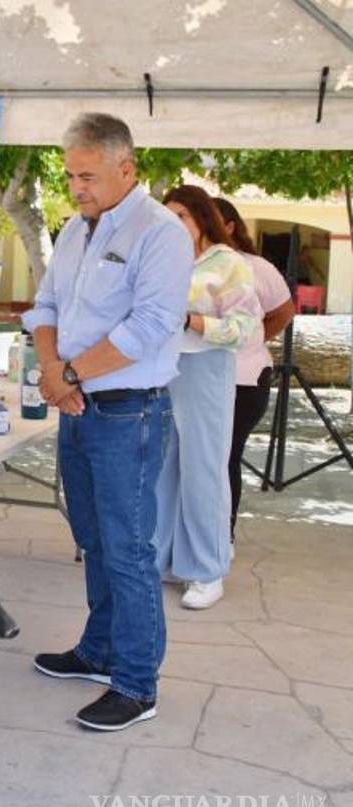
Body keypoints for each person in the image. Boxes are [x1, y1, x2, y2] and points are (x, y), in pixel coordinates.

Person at [23, 113, 193, 732]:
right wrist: (52, 369)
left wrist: (68, 375)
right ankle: (98, 651)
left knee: (129, 549)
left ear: (127, 168)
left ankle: (136, 682)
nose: (76, 188)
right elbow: (45, 307)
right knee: (93, 540)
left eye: (87, 176)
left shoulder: (161, 233)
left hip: (129, 412)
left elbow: (149, 326)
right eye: (70, 176)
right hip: (78, 405)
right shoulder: (74, 230)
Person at [157, 187, 259, 610]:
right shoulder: (161, 259)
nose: (173, 223)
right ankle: (161, 560)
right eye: (168, 216)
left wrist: (193, 321)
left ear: (202, 217)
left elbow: (244, 327)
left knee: (203, 471)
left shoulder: (228, 263)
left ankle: (207, 570)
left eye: (181, 215)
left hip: (205, 368)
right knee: (161, 469)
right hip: (161, 369)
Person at [212, 198, 295, 539]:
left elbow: (284, 311)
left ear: (230, 225)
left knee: (225, 457)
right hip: (195, 378)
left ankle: (222, 535)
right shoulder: (186, 265)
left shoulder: (256, 267)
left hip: (244, 379)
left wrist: (253, 337)